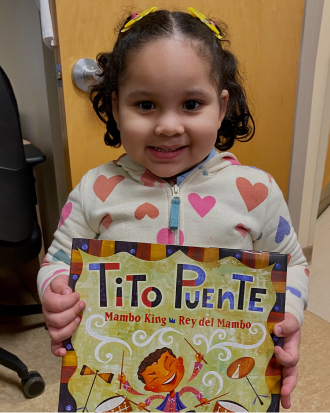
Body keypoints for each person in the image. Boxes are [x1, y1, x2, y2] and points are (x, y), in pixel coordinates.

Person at [38, 7, 308, 410]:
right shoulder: (96, 189)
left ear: (221, 106)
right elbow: (57, 261)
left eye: (191, 104)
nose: (167, 125)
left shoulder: (256, 192)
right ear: (115, 107)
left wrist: (287, 317)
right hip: (127, 377)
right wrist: (55, 291)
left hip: (221, 373)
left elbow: (294, 265)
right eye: (145, 105)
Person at [117, 347, 209, 411]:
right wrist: (144, 404)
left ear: (180, 361)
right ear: (148, 388)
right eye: (154, 377)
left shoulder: (183, 391)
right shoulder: (159, 398)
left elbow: (191, 389)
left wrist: (201, 399)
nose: (166, 374)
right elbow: (146, 397)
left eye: (169, 363)